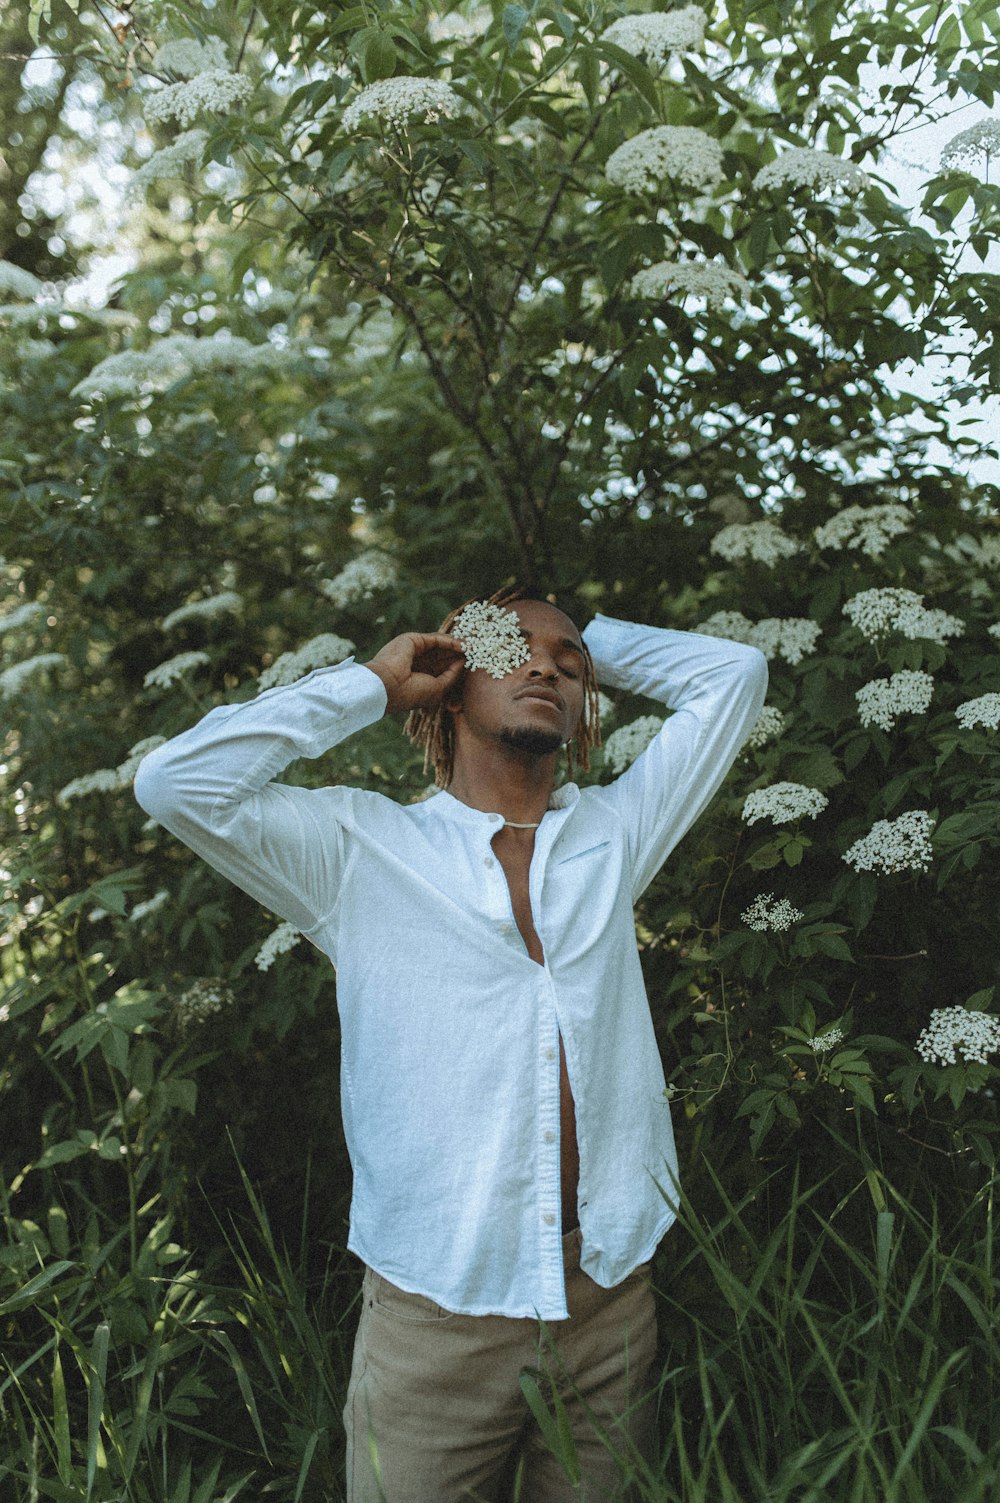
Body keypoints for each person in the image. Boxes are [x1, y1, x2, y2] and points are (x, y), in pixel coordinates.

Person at [134, 583, 767, 1503]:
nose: (544, 663)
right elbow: (173, 782)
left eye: (566, 662)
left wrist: (591, 641)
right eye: (512, 646)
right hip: (438, 1319)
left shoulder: (616, 835)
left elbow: (735, 672)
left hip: (608, 1301)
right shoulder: (360, 849)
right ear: (452, 683)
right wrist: (372, 686)